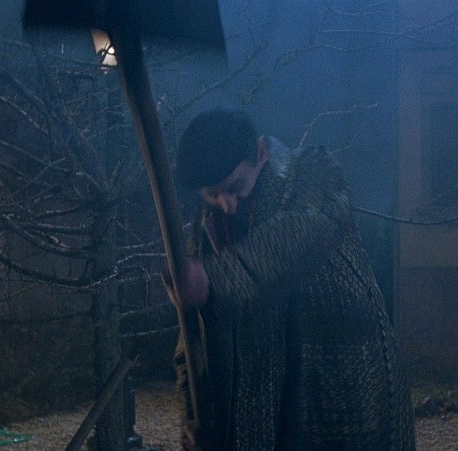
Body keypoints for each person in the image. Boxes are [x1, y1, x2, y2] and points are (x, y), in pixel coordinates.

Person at [173, 108, 415, 450]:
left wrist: (214, 279)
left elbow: (306, 230)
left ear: (260, 152)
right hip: (263, 413)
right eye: (213, 195)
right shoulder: (205, 228)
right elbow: (195, 334)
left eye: (235, 187)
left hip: (343, 398)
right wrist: (196, 416)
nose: (227, 205)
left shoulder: (313, 173)